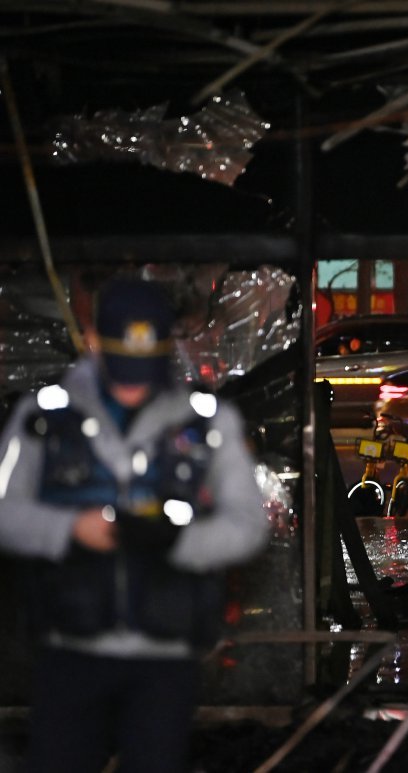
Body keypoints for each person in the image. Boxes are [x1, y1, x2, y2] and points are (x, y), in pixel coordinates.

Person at [0, 277, 269, 773]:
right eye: (122, 366)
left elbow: (248, 525)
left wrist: (181, 541)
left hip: (164, 656)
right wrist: (68, 529)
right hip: (70, 649)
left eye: (145, 369)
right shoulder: (43, 418)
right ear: (94, 340)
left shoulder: (206, 423)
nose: (132, 385)